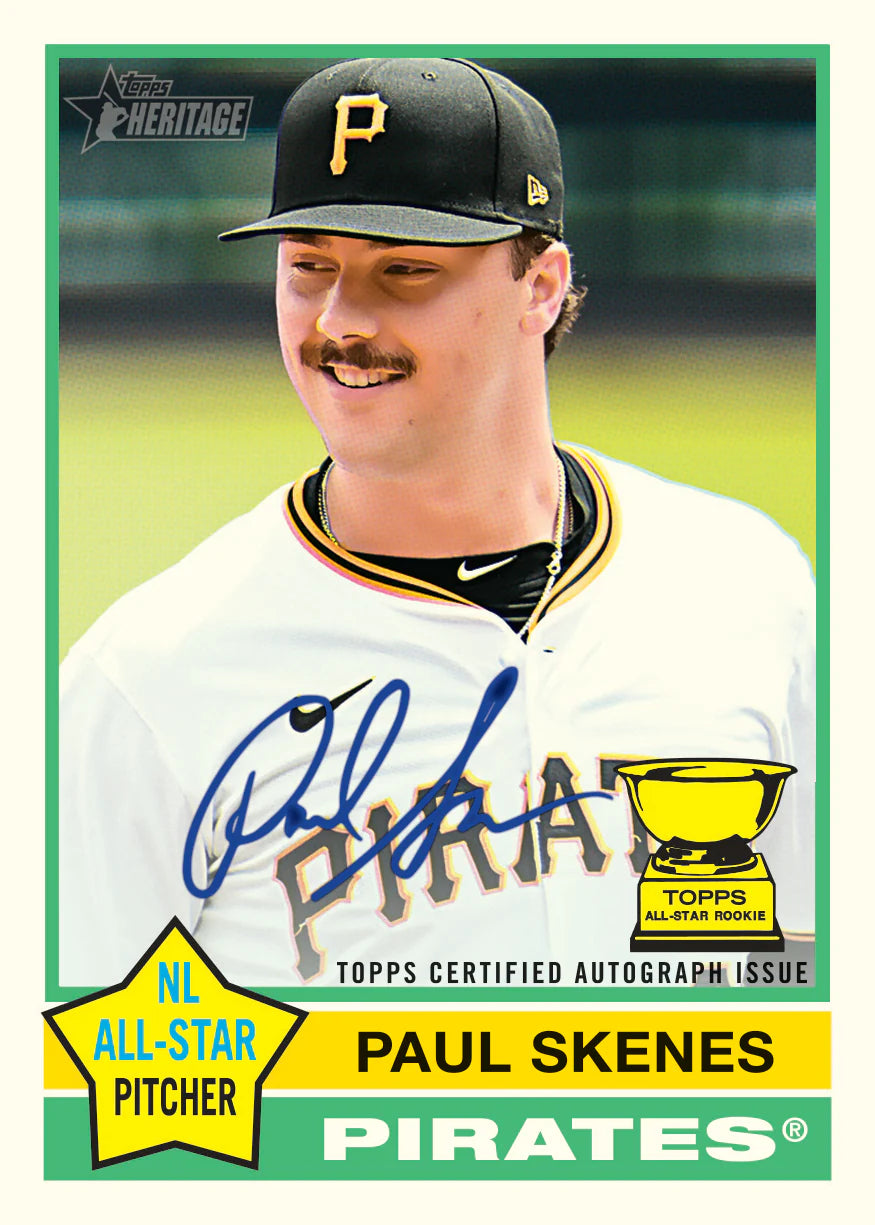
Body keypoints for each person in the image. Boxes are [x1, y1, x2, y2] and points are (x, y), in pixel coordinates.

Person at [59, 58, 815, 988]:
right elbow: (80, 1061)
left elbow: (810, 983)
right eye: (309, 268)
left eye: (405, 270)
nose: (339, 320)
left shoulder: (750, 585)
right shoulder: (148, 676)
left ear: (540, 286)